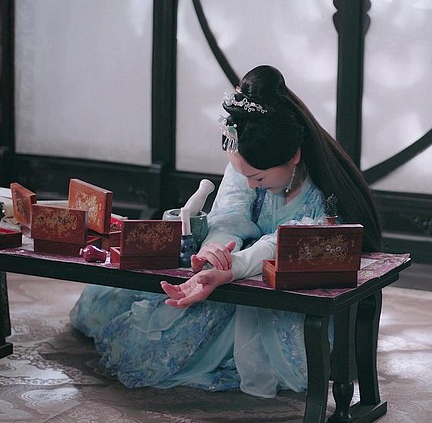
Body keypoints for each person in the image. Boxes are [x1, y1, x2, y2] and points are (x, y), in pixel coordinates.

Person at [69, 65, 383, 397]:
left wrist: (234, 266)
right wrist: (214, 251)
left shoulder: (325, 196)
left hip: (289, 293)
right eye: (244, 175)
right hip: (238, 274)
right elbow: (230, 213)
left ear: (294, 155)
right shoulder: (248, 157)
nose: (251, 185)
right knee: (118, 317)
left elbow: (283, 244)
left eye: (258, 178)